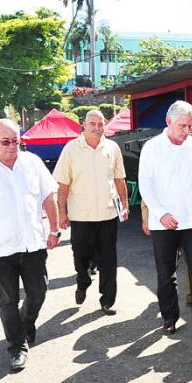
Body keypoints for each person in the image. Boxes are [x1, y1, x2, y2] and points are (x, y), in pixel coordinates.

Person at [0, 119, 59, 371]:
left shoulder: (33, 163)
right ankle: (17, 347)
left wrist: (55, 229)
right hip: (1, 247)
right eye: (6, 141)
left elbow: (49, 195)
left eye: (17, 140)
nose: (12, 146)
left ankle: (26, 323)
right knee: (8, 300)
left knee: (39, 292)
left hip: (33, 242)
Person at [138, 100, 192, 341]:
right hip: (163, 222)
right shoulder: (152, 147)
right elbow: (146, 184)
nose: (186, 131)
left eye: (189, 126)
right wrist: (160, 213)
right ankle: (169, 318)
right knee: (166, 273)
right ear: (169, 122)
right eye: (182, 126)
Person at [53, 110, 128, 316]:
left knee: (108, 260)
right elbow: (63, 184)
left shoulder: (112, 148)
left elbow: (119, 179)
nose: (97, 127)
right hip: (80, 216)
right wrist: (62, 212)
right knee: (80, 256)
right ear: (83, 125)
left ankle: (107, 300)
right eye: (92, 123)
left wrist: (125, 204)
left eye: (100, 124)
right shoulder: (71, 149)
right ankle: (82, 281)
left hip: (107, 214)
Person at [141, 200, 192, 306]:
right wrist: (145, 219)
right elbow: (146, 196)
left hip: (189, 222)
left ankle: (191, 295)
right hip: (164, 226)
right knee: (168, 267)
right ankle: (170, 302)